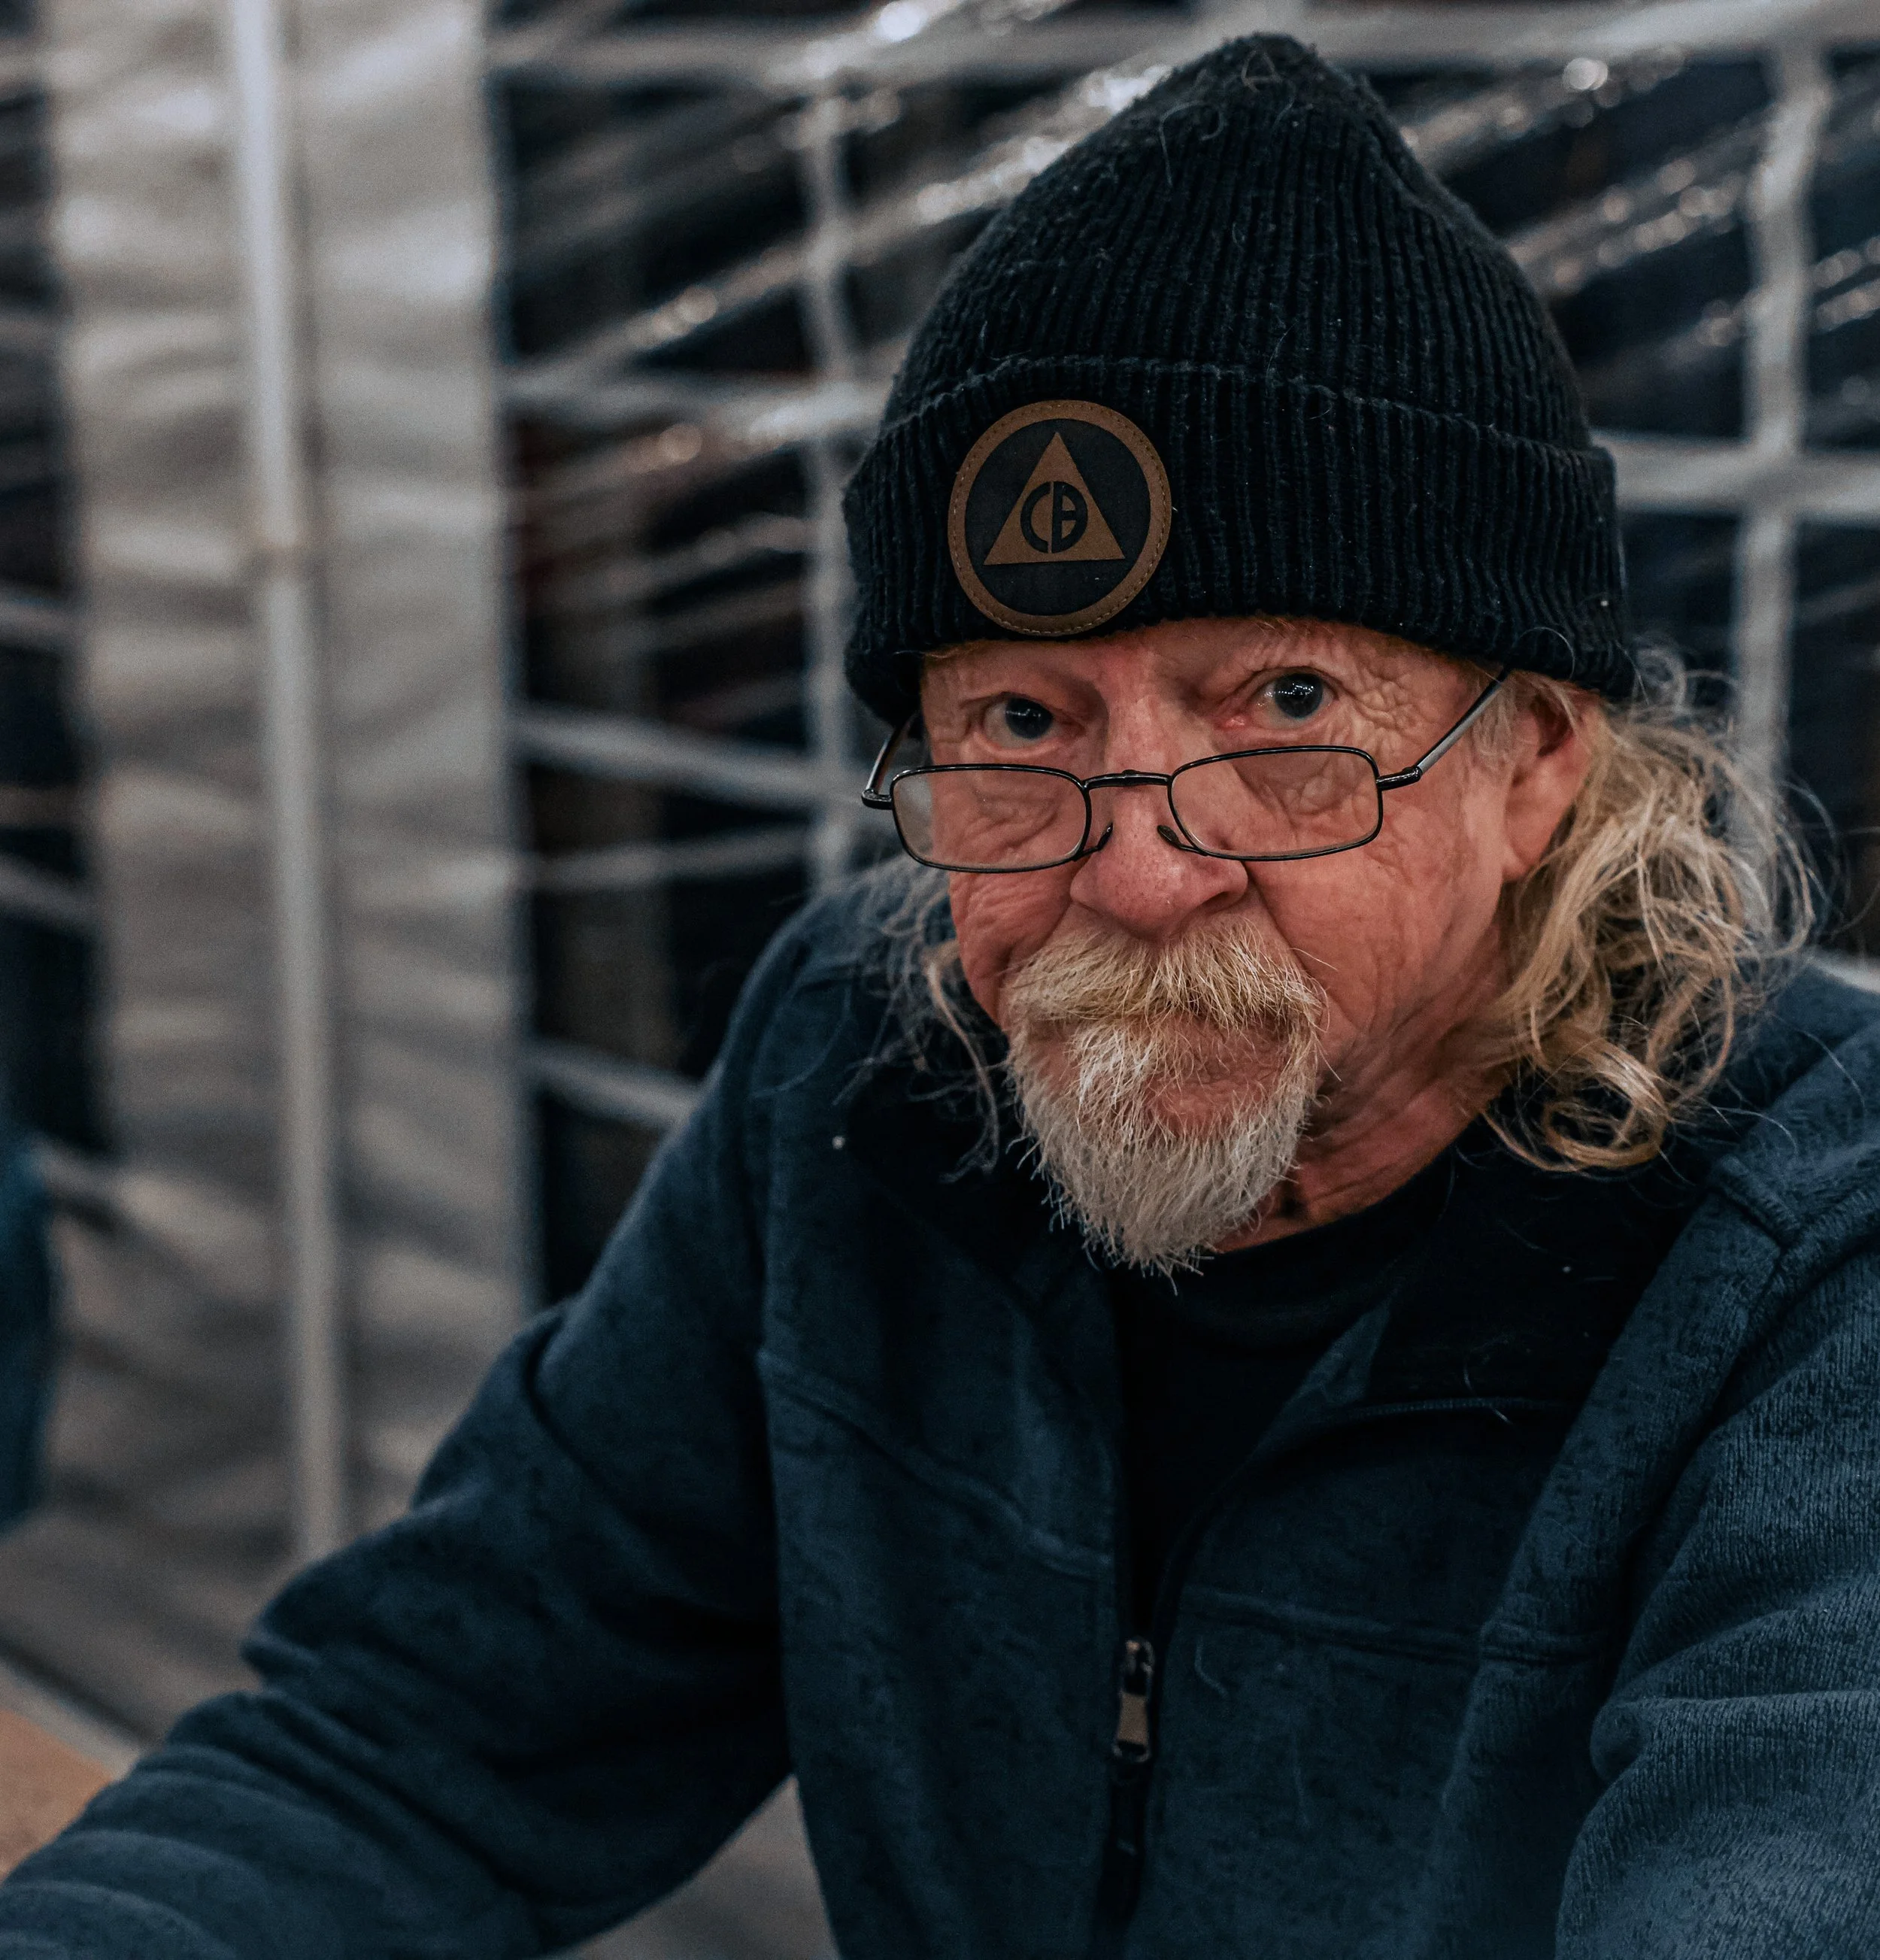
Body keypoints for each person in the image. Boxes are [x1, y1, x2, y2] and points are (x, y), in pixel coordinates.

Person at [4, 34, 1880, 1958]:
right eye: (1017, 720)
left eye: (1286, 710)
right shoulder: (858, 1074)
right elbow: (419, 1739)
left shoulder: (1810, 1256)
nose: (1141, 873)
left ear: (1537, 763)